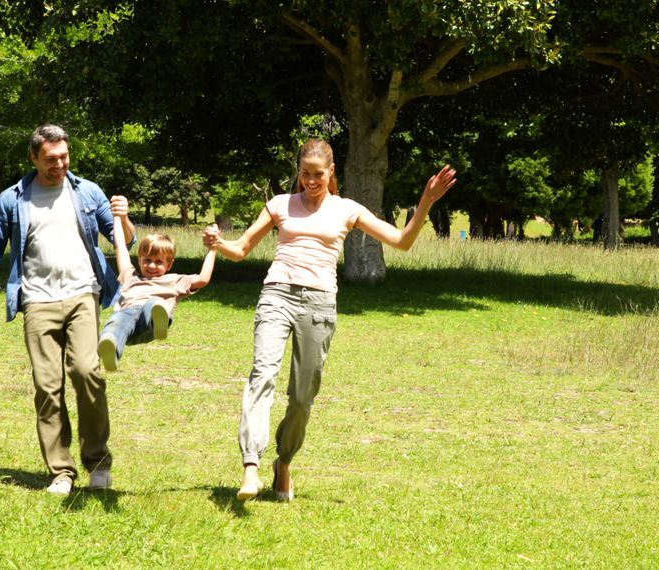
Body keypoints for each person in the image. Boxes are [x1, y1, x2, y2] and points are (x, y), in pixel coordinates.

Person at [203, 139, 457, 502]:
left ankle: (284, 462)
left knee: (302, 396)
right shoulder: (279, 204)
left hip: (319, 303)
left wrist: (427, 202)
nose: (310, 181)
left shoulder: (347, 209)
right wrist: (217, 243)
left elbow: (401, 241)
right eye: (304, 174)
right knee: (262, 374)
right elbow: (241, 249)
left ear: (331, 172)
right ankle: (250, 466)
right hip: (277, 293)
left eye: (317, 174)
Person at [0, 124, 136, 495]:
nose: (59, 164)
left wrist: (122, 217)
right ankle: (61, 471)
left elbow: (124, 239)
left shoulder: (87, 192)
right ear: (34, 158)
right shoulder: (13, 199)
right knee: (47, 385)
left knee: (87, 370)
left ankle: (98, 462)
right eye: (51, 159)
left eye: (64, 157)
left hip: (83, 293)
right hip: (37, 299)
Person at [97, 212, 216, 371]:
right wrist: (117, 216)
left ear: (169, 264)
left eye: (158, 262)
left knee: (154, 304)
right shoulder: (129, 275)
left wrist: (213, 248)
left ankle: (159, 320)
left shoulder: (174, 281)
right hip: (128, 321)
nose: (152, 266)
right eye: (147, 260)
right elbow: (120, 246)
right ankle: (111, 350)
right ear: (139, 259)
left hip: (150, 325)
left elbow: (203, 278)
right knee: (115, 323)